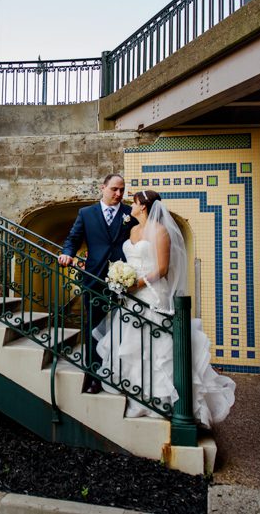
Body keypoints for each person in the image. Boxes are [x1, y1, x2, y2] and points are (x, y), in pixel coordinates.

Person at [94, 190, 235, 427]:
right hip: (130, 296)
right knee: (131, 344)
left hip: (150, 292)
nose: (132, 206)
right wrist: (121, 279)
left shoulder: (160, 232)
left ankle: (158, 402)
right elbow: (129, 261)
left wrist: (134, 283)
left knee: (154, 345)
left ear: (144, 206)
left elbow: (162, 268)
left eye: (135, 203)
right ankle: (134, 396)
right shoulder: (133, 230)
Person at [58, 173, 137, 394]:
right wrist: (67, 255)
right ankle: (93, 377)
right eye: (114, 189)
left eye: (122, 190)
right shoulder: (86, 213)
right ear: (102, 188)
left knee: (123, 329)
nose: (119, 194)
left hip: (124, 281)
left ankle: (119, 374)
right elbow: (73, 238)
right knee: (93, 327)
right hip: (94, 279)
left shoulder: (130, 213)